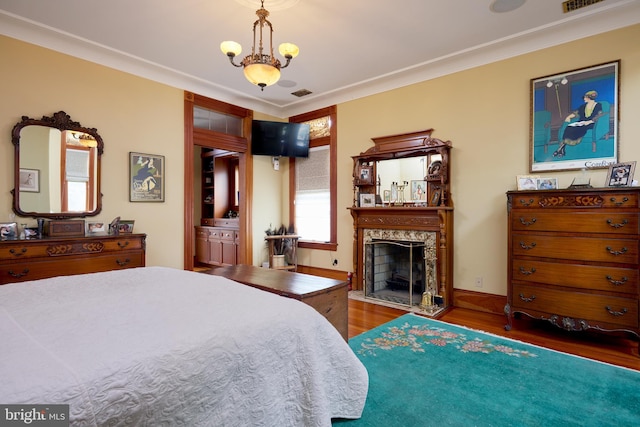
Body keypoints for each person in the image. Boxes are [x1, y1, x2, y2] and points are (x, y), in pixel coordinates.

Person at [553, 90, 604, 158]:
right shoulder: (583, 106)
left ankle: (560, 149)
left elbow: (599, 115)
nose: (584, 99)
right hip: (582, 122)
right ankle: (562, 149)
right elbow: (576, 113)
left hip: (592, 123)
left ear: (589, 98)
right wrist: (569, 117)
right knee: (569, 127)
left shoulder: (598, 105)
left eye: (585, 97)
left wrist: (589, 121)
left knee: (580, 128)